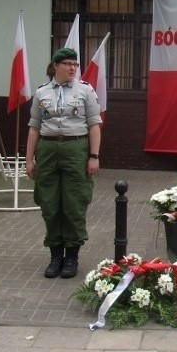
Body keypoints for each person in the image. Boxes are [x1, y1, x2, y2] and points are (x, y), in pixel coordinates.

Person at [25, 47, 102, 279]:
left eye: (75, 64)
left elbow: (94, 125)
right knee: (49, 202)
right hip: (47, 150)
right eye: (67, 64)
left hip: (75, 148)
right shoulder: (42, 93)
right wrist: (29, 160)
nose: (72, 68)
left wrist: (94, 156)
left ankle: (72, 257)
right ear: (55, 66)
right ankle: (55, 255)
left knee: (74, 202)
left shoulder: (85, 91)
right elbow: (34, 127)